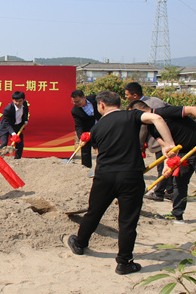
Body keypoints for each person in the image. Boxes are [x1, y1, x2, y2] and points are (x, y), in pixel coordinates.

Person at [66, 91, 176, 275]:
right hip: (131, 176)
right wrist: (169, 144)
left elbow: (97, 148)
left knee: (93, 213)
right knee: (127, 221)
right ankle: (124, 262)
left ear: (101, 105)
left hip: (105, 177)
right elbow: (157, 118)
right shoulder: (131, 116)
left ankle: (79, 243)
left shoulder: (97, 128)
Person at [128, 100, 196, 223]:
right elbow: (166, 148)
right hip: (182, 154)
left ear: (141, 111)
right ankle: (177, 214)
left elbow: (194, 109)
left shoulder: (164, 112)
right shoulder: (151, 128)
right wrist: (167, 166)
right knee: (179, 183)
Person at [124, 81, 173, 202]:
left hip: (160, 140)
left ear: (134, 96)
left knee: (162, 167)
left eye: (126, 94)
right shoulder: (156, 100)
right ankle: (170, 191)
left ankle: (159, 193)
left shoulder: (142, 107)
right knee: (170, 165)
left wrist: (139, 146)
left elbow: (143, 129)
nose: (126, 97)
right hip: (169, 137)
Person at [70, 90, 102, 168]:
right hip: (87, 129)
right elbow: (78, 125)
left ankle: (101, 167)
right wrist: (81, 137)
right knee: (85, 148)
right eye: (74, 102)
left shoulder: (95, 99)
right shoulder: (75, 111)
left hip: (100, 125)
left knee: (100, 147)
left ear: (84, 98)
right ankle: (85, 168)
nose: (77, 104)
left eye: (78, 101)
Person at [0, 91, 29, 159]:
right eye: (16, 101)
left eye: (20, 101)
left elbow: (26, 112)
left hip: (17, 126)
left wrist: (25, 120)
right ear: (13, 100)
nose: (18, 103)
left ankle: (17, 159)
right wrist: (13, 134)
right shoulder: (8, 109)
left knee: (19, 144)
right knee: (4, 143)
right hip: (5, 127)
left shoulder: (25, 104)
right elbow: (7, 123)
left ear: (23, 100)